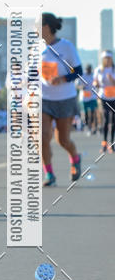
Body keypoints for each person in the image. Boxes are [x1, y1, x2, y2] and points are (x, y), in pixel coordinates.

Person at [41, 12, 82, 186]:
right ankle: (49, 175)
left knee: (62, 140)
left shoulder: (66, 46)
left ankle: (75, 157)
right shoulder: (35, 48)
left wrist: (62, 78)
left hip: (65, 98)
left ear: (47, 27)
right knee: (42, 137)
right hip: (44, 98)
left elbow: (78, 71)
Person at [93, 50, 115, 153]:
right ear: (103, 59)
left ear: (111, 59)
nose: (107, 60)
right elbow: (95, 82)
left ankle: (112, 144)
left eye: (109, 58)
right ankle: (104, 143)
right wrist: (96, 83)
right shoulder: (99, 70)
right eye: (105, 58)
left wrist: (112, 80)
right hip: (104, 97)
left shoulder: (114, 70)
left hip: (114, 97)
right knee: (106, 119)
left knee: (113, 120)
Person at [77, 64, 98, 136]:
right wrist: (81, 87)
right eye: (87, 69)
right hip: (84, 97)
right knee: (85, 114)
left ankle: (92, 127)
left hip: (92, 96)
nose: (88, 70)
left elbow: (97, 83)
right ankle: (87, 126)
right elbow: (77, 85)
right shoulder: (82, 75)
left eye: (90, 69)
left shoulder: (93, 75)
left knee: (92, 112)